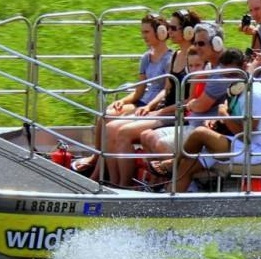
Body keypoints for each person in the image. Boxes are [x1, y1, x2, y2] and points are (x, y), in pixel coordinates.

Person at [72, 12, 184, 181]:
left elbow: (165, 91)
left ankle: (104, 174)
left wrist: (148, 106)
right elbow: (140, 91)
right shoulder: (146, 58)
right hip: (143, 101)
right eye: (142, 32)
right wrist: (122, 101)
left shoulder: (169, 58)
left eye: (146, 32)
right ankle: (99, 163)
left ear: (161, 32)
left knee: (113, 126)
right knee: (107, 114)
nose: (143, 36)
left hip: (153, 106)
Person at [150, 49, 261, 193]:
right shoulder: (236, 88)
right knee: (188, 163)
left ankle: (173, 162)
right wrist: (215, 120)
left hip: (255, 150)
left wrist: (224, 116)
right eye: (225, 74)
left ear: (244, 67)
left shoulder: (255, 93)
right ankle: (170, 202)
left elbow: (247, 134)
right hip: (237, 142)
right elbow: (232, 115)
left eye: (232, 74)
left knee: (200, 133)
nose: (229, 78)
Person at [138, 22, 234, 168]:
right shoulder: (208, 68)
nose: (197, 48)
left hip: (204, 130)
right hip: (193, 123)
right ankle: (159, 183)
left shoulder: (220, 73)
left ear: (217, 43)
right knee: (146, 136)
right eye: (195, 43)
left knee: (160, 143)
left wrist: (192, 104)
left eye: (201, 43)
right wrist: (192, 102)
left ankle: (181, 185)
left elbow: (199, 106)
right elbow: (193, 101)